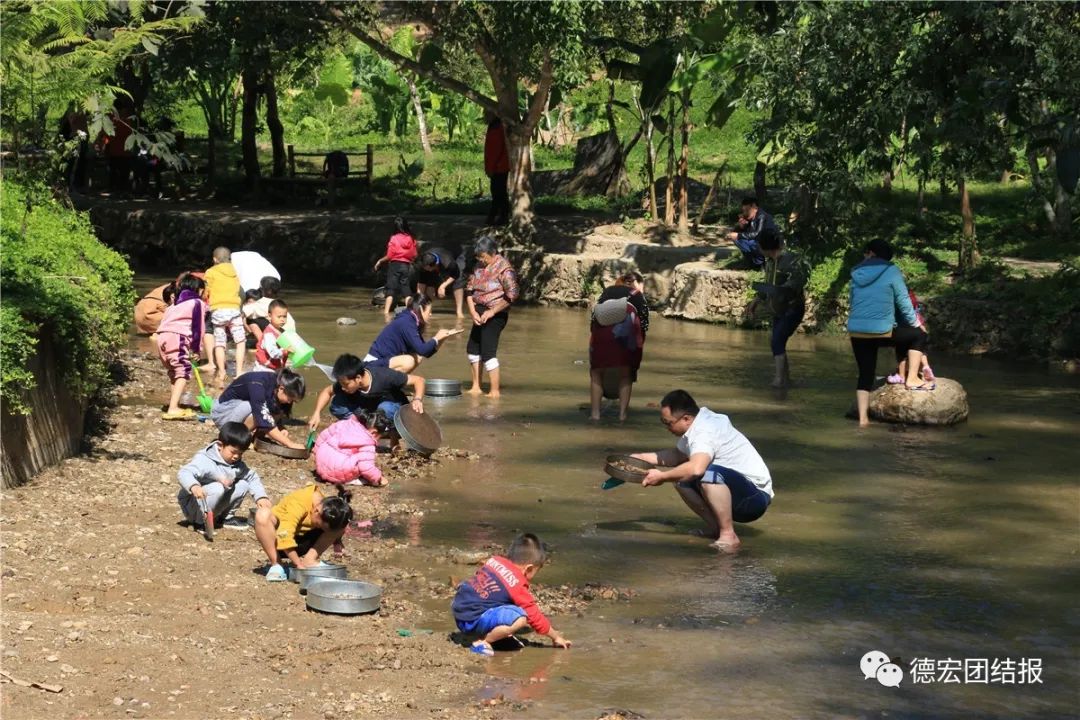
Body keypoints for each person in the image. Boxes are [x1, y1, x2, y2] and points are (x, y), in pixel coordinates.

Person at [630, 390, 773, 551]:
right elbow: (677, 456)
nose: (666, 428)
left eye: (668, 423)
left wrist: (662, 477)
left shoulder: (705, 431)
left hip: (753, 500)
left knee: (708, 474)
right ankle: (716, 529)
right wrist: (641, 457)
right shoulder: (697, 424)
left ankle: (728, 535)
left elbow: (697, 469)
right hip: (737, 493)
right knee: (681, 479)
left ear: (686, 419)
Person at [847, 239, 931, 427]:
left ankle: (863, 420)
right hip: (882, 331)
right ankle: (911, 379)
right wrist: (917, 324)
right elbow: (904, 302)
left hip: (857, 331)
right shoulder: (891, 271)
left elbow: (853, 301)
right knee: (918, 336)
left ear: (871, 254)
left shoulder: (856, 272)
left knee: (865, 374)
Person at [451, 533, 572, 656]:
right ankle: (482, 641)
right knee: (520, 618)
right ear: (529, 569)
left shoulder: (494, 560)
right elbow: (533, 615)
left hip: (459, 609)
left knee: (505, 604)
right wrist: (555, 636)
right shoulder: (516, 583)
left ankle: (491, 631)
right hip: (472, 620)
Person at [176, 422, 270, 530]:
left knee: (243, 484)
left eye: (240, 453)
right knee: (217, 488)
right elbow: (184, 472)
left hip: (214, 504)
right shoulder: (205, 460)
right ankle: (200, 522)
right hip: (193, 505)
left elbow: (251, 477)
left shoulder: (236, 464)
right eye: (233, 452)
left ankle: (224, 518)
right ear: (220, 445)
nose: (236, 456)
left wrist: (261, 497)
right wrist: (194, 486)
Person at [744, 229, 808, 388]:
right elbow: (768, 286)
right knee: (778, 342)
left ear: (767, 247)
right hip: (777, 308)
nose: (758, 249)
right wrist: (756, 300)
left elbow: (799, 281)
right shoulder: (771, 262)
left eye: (759, 246)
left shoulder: (792, 260)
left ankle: (779, 380)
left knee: (776, 341)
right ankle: (786, 380)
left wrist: (781, 289)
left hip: (792, 308)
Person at [254, 484, 353, 582]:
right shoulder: (299, 503)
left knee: (341, 524)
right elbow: (284, 535)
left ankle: (310, 560)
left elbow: (337, 527)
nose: (320, 528)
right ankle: (276, 565)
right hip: (278, 541)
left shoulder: (329, 509)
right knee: (262, 515)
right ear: (316, 511)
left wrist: (337, 541)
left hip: (304, 540)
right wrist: (298, 564)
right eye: (319, 525)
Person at [589, 271, 650, 422]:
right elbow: (643, 325)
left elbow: (594, 318)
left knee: (596, 372)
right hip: (627, 331)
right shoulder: (637, 294)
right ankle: (622, 415)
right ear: (637, 284)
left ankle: (595, 414)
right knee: (625, 374)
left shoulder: (608, 291)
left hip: (601, 331)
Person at [308, 353, 426, 429]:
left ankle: (387, 430)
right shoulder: (347, 379)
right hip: (368, 408)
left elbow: (419, 380)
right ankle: (362, 427)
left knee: (386, 408)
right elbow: (327, 391)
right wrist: (316, 413)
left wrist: (417, 399)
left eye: (346, 384)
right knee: (336, 404)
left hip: (391, 408)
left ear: (358, 378)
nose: (343, 387)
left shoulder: (385, 376)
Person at [465, 236, 519, 398]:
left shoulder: (505, 269)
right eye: (479, 257)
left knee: (488, 352)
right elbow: (469, 290)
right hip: (479, 311)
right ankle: (476, 386)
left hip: (496, 314)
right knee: (472, 349)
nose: (481, 260)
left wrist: (492, 312)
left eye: (483, 256)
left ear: (493, 253)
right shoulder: (478, 266)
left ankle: (494, 391)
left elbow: (512, 295)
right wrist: (472, 311)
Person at [211, 368, 307, 449]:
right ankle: (237, 438)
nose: (290, 402)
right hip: (223, 413)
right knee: (259, 411)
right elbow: (263, 416)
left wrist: (280, 427)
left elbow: (274, 412)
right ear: (281, 388)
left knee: (271, 411)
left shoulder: (276, 383)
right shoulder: (258, 384)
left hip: (239, 410)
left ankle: (255, 439)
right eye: (289, 399)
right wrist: (290, 444)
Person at [155, 273, 206, 420]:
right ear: (200, 290)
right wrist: (196, 349)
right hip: (177, 337)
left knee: (174, 371)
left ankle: (174, 403)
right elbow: (198, 328)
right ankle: (172, 408)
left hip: (162, 338)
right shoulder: (197, 303)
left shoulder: (174, 305)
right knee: (183, 370)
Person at [365, 295, 460, 373]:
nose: (431, 314)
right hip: (372, 364)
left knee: (417, 357)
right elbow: (423, 350)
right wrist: (436, 337)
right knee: (409, 361)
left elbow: (426, 353)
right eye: (429, 311)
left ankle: (396, 384)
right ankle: (392, 386)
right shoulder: (406, 322)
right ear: (420, 309)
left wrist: (442, 338)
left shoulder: (413, 321)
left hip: (383, 362)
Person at [313, 410, 393, 487]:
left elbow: (323, 436)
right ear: (374, 433)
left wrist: (316, 454)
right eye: (380, 437)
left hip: (320, 465)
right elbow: (366, 467)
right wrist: (379, 478)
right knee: (362, 463)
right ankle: (353, 481)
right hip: (338, 471)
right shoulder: (368, 442)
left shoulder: (344, 423)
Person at [205, 246, 246, 385]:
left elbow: (206, 291)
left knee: (220, 342)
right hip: (234, 309)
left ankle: (222, 372)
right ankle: (239, 372)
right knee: (240, 341)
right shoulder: (235, 271)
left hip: (218, 310)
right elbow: (238, 290)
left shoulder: (210, 272)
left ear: (214, 259)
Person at [373, 216, 418, 320]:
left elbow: (389, 256)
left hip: (395, 265)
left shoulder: (394, 238)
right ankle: (410, 312)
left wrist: (380, 261)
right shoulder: (411, 238)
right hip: (406, 265)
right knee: (406, 289)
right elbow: (415, 255)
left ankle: (386, 313)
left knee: (391, 289)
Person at [726, 196, 778, 267]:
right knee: (738, 240)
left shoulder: (762, 216)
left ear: (754, 207)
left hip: (769, 244)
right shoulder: (751, 217)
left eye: (747, 210)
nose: (744, 213)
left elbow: (757, 234)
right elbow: (746, 233)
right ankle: (752, 262)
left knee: (748, 241)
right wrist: (741, 227)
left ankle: (760, 263)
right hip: (759, 243)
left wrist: (738, 235)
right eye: (743, 211)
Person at [417, 247, 467, 318]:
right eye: (425, 268)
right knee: (430, 284)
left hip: (456, 254)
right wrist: (418, 302)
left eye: (429, 269)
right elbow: (422, 283)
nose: (427, 270)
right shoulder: (423, 263)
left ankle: (459, 311)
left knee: (458, 282)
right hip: (436, 255)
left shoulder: (449, 263)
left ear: (435, 265)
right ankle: (428, 309)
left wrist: (443, 286)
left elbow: (456, 274)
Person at [483, 112, 510, 226]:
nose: (484, 115)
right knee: (500, 192)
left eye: (486, 113)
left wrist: (491, 168)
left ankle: (497, 217)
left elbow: (495, 150)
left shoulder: (496, 128)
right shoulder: (496, 127)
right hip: (500, 166)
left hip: (499, 167)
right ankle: (500, 216)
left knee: (498, 193)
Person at [253, 299, 291, 372]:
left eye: (284, 316)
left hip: (275, 368)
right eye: (279, 317)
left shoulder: (282, 332)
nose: (282, 319)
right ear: (269, 316)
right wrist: (285, 352)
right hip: (264, 369)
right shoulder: (269, 334)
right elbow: (273, 353)